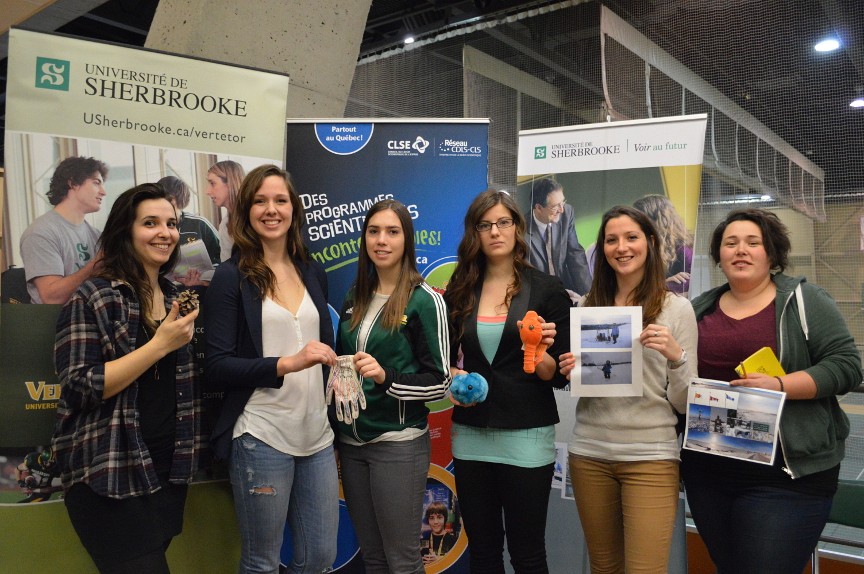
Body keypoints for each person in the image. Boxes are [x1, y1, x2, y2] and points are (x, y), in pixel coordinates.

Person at [680, 208, 862, 574]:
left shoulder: (804, 300)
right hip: (709, 473)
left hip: (786, 477)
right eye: (730, 243)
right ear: (719, 254)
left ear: (772, 253)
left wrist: (778, 386)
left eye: (753, 242)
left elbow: (846, 365)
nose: (740, 250)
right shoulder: (698, 309)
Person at [51, 183, 202, 573]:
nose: (164, 233)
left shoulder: (175, 297)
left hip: (166, 469)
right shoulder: (94, 297)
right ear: (125, 231)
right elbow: (80, 385)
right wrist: (159, 344)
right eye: (150, 223)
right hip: (109, 472)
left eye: (171, 223)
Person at [204, 164, 338, 574]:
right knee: (262, 561)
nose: (271, 209)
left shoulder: (311, 270)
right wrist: (288, 363)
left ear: (294, 210)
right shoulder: (230, 277)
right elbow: (218, 366)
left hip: (316, 435)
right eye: (260, 201)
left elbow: (326, 346)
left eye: (280, 200)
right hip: (261, 435)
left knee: (318, 558)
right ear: (245, 210)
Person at [558, 205, 697, 574]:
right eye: (611, 239)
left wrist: (676, 356)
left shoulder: (677, 309)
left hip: (650, 457)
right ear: (601, 249)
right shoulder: (588, 306)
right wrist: (572, 370)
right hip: (589, 453)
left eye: (631, 237)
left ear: (650, 243)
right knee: (604, 567)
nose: (622, 247)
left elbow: (685, 401)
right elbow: (588, 386)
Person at [444, 189, 570, 574]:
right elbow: (444, 361)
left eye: (504, 222)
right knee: (482, 552)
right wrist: (453, 379)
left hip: (527, 436)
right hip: (471, 436)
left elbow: (558, 375)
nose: (495, 232)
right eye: (485, 225)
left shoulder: (547, 289)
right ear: (474, 233)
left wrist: (542, 352)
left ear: (517, 227)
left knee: (527, 553)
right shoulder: (460, 289)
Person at [336, 199, 451, 574]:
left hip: (397, 443)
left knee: (402, 562)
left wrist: (387, 378)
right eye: (373, 231)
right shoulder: (355, 296)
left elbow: (440, 382)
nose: (381, 240)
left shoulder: (425, 300)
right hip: (351, 445)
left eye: (392, 231)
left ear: (407, 240)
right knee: (373, 558)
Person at [20, 156, 108, 304]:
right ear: (73, 183)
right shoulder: (40, 233)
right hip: (55, 324)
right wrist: (96, 265)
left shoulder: (96, 235)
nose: (103, 192)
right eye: (96, 183)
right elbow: (52, 298)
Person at [525, 177, 592, 299]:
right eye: (555, 206)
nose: (561, 210)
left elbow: (575, 255)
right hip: (537, 296)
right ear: (538, 208)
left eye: (563, 202)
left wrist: (589, 296)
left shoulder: (567, 212)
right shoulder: (521, 229)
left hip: (566, 290)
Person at [158, 175, 221, 285]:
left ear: (181, 201)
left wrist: (204, 279)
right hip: (164, 289)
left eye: (170, 203)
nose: (165, 208)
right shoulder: (154, 230)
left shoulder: (199, 224)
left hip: (201, 289)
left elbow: (222, 258)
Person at [633, 194, 693, 296]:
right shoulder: (647, 246)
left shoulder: (683, 250)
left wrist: (666, 286)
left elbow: (690, 284)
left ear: (657, 220)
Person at [205, 160, 245, 262]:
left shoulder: (255, 217)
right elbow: (227, 264)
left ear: (230, 183)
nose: (207, 192)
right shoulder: (225, 224)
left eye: (213, 183)